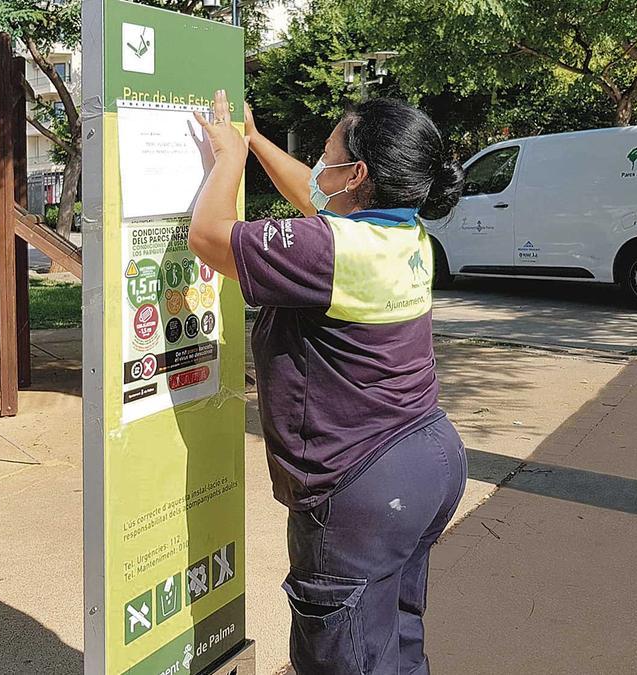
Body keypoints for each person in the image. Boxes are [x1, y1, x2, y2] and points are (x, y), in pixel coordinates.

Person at [190, 90, 467, 675]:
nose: (317, 165)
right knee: (394, 642)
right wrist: (258, 138)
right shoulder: (406, 235)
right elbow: (314, 196)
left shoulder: (330, 249)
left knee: (343, 660)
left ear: (358, 173)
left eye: (327, 153)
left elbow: (211, 237)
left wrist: (231, 159)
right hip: (427, 462)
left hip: (360, 486)